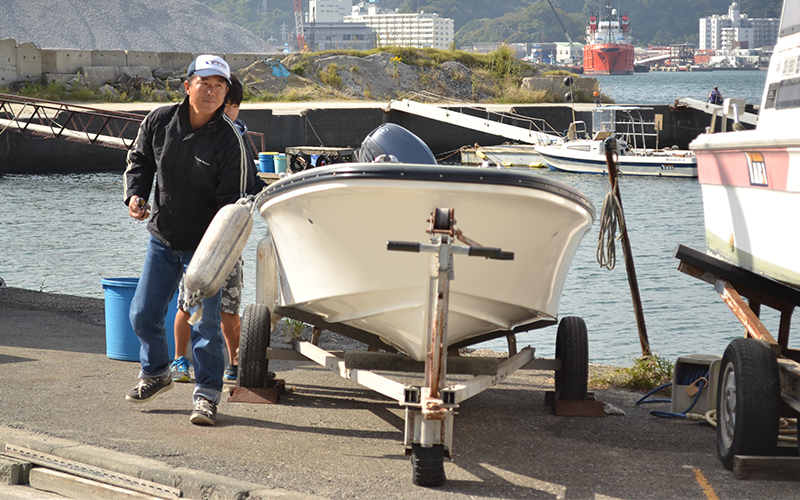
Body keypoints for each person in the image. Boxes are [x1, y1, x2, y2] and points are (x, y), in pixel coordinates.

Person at [123, 54, 262, 426]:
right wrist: (136, 195)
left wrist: (216, 254)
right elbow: (140, 162)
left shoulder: (231, 140)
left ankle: (206, 397)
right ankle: (156, 373)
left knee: (205, 325)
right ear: (188, 86)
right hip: (163, 239)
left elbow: (234, 203)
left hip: (207, 252)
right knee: (142, 314)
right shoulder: (159, 121)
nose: (212, 92)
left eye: (220, 86)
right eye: (205, 83)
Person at [170, 74, 266, 385]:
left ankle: (235, 361)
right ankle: (180, 359)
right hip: (201, 237)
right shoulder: (197, 131)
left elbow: (249, 179)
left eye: (234, 105)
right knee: (190, 302)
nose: (230, 111)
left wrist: (265, 191)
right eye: (229, 105)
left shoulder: (236, 134)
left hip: (229, 238)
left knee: (229, 303)